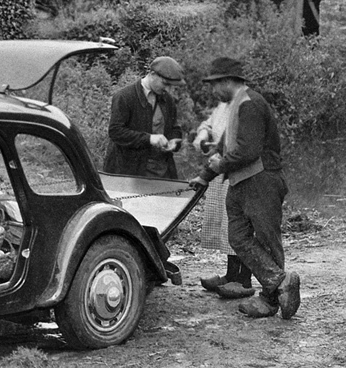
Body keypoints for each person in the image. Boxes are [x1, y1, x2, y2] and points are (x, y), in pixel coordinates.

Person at [189, 57, 300, 319]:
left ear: (227, 81)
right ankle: (280, 282)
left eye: (215, 85)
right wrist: (204, 176)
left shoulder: (250, 104)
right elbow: (225, 146)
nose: (213, 92)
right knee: (237, 237)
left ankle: (270, 300)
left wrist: (217, 167)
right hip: (240, 182)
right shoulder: (236, 104)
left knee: (267, 240)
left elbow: (247, 151)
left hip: (262, 181)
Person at [193, 102, 254, 298]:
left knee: (241, 224)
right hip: (220, 168)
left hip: (240, 172)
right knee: (225, 223)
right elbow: (209, 124)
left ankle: (244, 280)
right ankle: (230, 275)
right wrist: (203, 133)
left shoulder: (247, 106)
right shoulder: (222, 106)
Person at [103, 56, 185, 178]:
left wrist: (174, 141)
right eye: (165, 84)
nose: (168, 89)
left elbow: (174, 128)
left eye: (171, 86)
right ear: (152, 74)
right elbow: (116, 132)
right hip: (129, 172)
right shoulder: (124, 97)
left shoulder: (167, 99)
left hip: (161, 171)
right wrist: (149, 139)